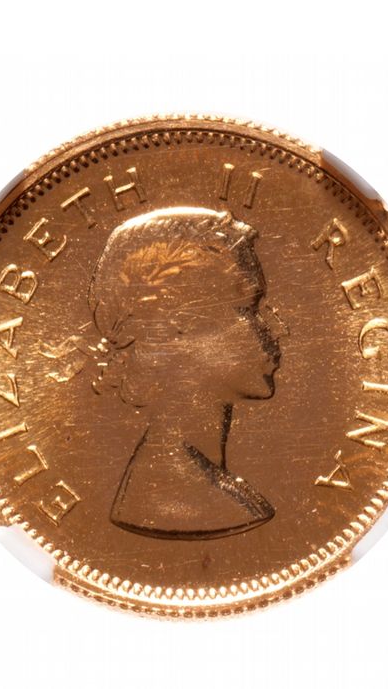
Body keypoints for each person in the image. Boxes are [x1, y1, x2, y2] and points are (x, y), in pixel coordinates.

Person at [86, 207, 284, 539]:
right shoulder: (178, 491)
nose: (278, 329)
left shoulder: (211, 485)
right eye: (249, 308)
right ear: (180, 325)